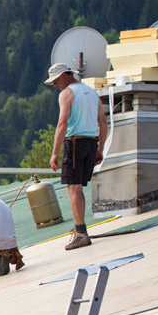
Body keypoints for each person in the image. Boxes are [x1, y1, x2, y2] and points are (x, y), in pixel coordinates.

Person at [46, 63, 108, 250]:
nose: (56, 85)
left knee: (73, 190)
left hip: (74, 142)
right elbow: (103, 123)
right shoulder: (91, 92)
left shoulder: (66, 94)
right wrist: (100, 148)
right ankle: (80, 229)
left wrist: (55, 153)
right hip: (91, 142)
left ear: (65, 75)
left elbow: (62, 124)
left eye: (56, 80)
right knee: (78, 188)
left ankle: (81, 232)